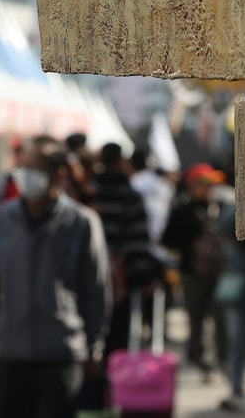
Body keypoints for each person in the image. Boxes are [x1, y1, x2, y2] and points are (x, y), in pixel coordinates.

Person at [0, 135, 111, 418]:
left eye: (35, 168)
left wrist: (94, 345)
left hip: (61, 353)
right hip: (8, 351)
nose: (25, 176)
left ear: (58, 174)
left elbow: (97, 290)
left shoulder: (82, 223)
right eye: (23, 167)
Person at [161, 162, 231, 377]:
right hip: (192, 273)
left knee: (220, 317)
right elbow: (168, 239)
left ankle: (222, 357)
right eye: (203, 184)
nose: (208, 189)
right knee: (196, 316)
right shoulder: (182, 210)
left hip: (220, 273)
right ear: (192, 186)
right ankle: (196, 356)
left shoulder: (222, 207)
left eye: (210, 184)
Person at [89, 144, 159, 354]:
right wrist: (143, 276)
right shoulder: (130, 196)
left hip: (88, 275)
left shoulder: (90, 191)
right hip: (122, 280)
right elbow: (137, 240)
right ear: (121, 162)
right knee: (117, 340)